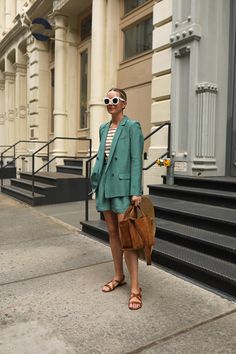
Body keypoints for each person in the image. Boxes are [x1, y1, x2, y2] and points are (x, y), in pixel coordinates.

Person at [90, 88, 144, 310]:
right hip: (105, 186)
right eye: (107, 100)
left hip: (123, 189)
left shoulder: (132, 127)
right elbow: (104, 159)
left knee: (127, 236)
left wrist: (136, 191)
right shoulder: (103, 128)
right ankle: (118, 276)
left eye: (115, 100)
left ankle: (136, 288)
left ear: (124, 103)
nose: (111, 103)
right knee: (112, 233)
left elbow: (135, 160)